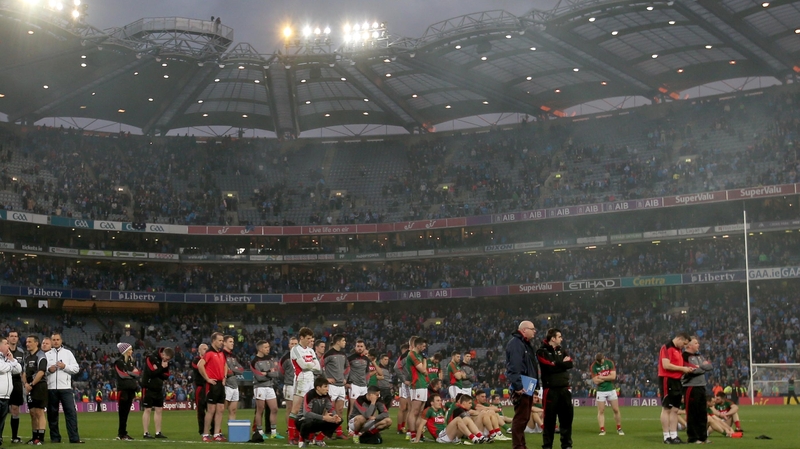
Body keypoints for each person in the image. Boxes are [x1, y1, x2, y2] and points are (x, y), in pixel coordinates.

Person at [537, 328, 574, 449]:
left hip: (564, 388)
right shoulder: (541, 351)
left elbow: (570, 364)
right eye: (559, 336)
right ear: (553, 338)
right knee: (549, 421)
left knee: (566, 419)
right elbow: (548, 367)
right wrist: (562, 364)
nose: (561, 339)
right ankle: (547, 446)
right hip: (550, 390)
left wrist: (556, 364)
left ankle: (567, 445)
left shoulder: (561, 350)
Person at [45, 333, 83, 444]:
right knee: (52, 415)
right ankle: (55, 438)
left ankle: (74, 438)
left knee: (71, 413)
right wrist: (48, 370)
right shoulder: (47, 355)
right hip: (51, 388)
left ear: (61, 341)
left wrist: (64, 366)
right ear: (51, 341)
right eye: (54, 340)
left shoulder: (68, 353)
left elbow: (76, 369)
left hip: (66, 388)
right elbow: (42, 370)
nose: (56, 341)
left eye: (57, 339)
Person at [505, 320, 538, 449]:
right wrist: (518, 386)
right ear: (524, 330)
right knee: (521, 417)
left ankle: (521, 445)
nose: (534, 331)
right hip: (522, 386)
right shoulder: (516, 344)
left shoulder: (523, 344)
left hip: (527, 384)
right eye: (532, 329)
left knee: (524, 417)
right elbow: (514, 366)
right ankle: (518, 445)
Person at [658, 332, 694, 444]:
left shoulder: (678, 350)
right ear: (679, 339)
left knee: (675, 409)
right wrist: (682, 369)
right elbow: (666, 365)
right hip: (667, 379)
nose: (684, 346)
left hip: (677, 381)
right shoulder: (666, 347)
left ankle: (674, 436)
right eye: (684, 343)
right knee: (667, 408)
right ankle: (666, 436)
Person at [288, 328, 321, 445]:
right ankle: (292, 437)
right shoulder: (295, 350)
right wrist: (311, 365)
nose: (309, 341)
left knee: (309, 409)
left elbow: (318, 368)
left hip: (311, 380)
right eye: (308, 339)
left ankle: (307, 436)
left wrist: (309, 365)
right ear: (301, 337)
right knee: (296, 409)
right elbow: (302, 366)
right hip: (301, 380)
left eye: (311, 339)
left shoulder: (311, 351)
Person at [250, 340, 283, 440]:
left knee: (274, 409)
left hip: (269, 386)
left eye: (268, 347)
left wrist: (266, 373)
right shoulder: (254, 361)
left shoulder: (270, 358)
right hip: (259, 387)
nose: (268, 349)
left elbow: (276, 374)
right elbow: (259, 377)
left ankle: (273, 432)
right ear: (260, 349)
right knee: (260, 410)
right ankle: (260, 432)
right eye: (266, 347)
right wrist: (270, 373)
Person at [681, 336, 712, 444]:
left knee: (702, 412)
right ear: (689, 345)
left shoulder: (699, 355)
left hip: (701, 386)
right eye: (696, 343)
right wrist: (701, 367)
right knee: (692, 413)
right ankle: (693, 438)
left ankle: (703, 437)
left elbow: (710, 367)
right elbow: (691, 371)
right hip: (691, 387)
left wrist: (700, 367)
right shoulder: (684, 356)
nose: (698, 344)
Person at [199, 332, 228, 442]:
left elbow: (225, 364)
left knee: (220, 409)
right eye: (219, 340)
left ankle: (216, 434)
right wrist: (207, 379)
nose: (221, 343)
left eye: (222, 340)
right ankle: (205, 434)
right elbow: (200, 365)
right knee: (211, 409)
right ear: (213, 341)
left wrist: (224, 376)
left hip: (220, 383)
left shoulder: (221, 353)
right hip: (212, 384)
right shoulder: (209, 353)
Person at [296, 376, 341, 448]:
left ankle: (318, 439)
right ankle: (302, 440)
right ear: (318, 388)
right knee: (308, 420)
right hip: (301, 420)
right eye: (325, 386)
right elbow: (306, 413)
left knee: (338, 420)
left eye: (327, 386)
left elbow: (331, 408)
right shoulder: (310, 395)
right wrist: (324, 418)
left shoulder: (326, 396)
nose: (327, 389)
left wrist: (335, 416)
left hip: (316, 420)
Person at [141, 347, 173, 439]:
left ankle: (158, 432)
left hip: (158, 387)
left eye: (168, 360)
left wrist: (158, 370)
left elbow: (166, 376)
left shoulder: (166, 362)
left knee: (159, 410)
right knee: (147, 409)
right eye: (166, 358)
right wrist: (161, 368)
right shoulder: (150, 358)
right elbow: (151, 373)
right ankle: (145, 432)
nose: (167, 361)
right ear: (163, 354)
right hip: (148, 387)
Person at [23, 336, 48, 445]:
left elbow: (41, 372)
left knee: (39, 412)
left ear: (36, 343)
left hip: (39, 386)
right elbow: (23, 373)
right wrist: (26, 385)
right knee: (32, 413)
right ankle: (34, 437)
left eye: (30, 342)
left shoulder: (41, 355)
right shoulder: (27, 357)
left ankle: (40, 438)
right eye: (27, 342)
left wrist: (32, 384)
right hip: (29, 387)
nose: (27, 344)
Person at [590, 353, 623, 436]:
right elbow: (595, 381)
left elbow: (613, 377)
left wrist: (601, 377)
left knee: (616, 409)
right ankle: (602, 429)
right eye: (599, 362)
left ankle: (619, 428)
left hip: (611, 389)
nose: (600, 364)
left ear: (603, 358)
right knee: (601, 411)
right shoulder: (593, 366)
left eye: (601, 362)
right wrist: (607, 377)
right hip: (600, 391)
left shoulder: (609, 363)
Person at [323, 334, 349, 439]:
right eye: (343, 340)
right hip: (332, 386)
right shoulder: (328, 354)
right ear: (338, 342)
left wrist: (345, 377)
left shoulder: (343, 354)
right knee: (330, 410)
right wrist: (326, 378)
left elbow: (348, 366)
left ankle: (338, 432)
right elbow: (319, 366)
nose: (345, 342)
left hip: (341, 386)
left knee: (340, 410)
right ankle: (326, 432)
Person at [405, 337, 429, 442]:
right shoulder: (412, 354)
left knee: (420, 412)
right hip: (417, 385)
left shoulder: (418, 355)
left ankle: (419, 434)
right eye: (423, 346)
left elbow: (426, 372)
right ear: (418, 345)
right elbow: (423, 370)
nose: (424, 348)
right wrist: (424, 360)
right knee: (414, 411)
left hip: (422, 384)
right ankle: (413, 435)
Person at [0, 336, 23, 447]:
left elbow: (18, 369)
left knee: (1, 421)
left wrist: (12, 360)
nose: (8, 346)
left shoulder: (6, 358)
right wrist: (11, 364)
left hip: (5, 396)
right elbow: (2, 368)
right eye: (5, 344)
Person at [114, 342, 139, 440]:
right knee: (122, 413)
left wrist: (129, 373)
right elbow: (122, 375)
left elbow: (137, 374)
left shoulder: (131, 361)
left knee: (126, 412)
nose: (132, 351)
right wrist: (131, 373)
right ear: (125, 351)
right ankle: (121, 433)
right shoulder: (118, 362)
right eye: (130, 349)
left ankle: (123, 433)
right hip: (123, 390)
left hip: (131, 390)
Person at [7, 331, 25, 444]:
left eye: (15, 336)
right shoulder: (3, 351)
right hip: (4, 380)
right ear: (7, 338)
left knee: (15, 409)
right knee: (2, 409)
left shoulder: (21, 352)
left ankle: (14, 437)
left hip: (17, 382)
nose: (13, 338)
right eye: (11, 336)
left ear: (18, 339)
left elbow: (22, 370)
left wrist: (25, 384)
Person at [348, 339, 370, 421]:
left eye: (361, 346)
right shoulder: (350, 358)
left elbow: (367, 372)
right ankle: (350, 428)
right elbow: (346, 371)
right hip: (355, 385)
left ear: (364, 348)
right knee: (353, 407)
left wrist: (367, 382)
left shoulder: (366, 359)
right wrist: (347, 382)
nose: (359, 348)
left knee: (364, 407)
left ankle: (361, 427)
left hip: (364, 386)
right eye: (358, 346)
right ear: (355, 347)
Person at [280, 336, 298, 436]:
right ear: (289, 345)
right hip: (289, 385)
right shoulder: (285, 358)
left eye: (296, 344)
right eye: (292, 344)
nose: (294, 346)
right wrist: (288, 380)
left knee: (298, 408)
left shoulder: (301, 356)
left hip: (299, 385)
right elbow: (281, 372)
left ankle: (296, 428)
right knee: (289, 408)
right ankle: (289, 429)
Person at [223, 335, 244, 421]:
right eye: (230, 342)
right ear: (224, 343)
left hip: (234, 384)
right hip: (226, 384)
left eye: (233, 342)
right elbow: (225, 371)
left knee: (233, 410)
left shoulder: (233, 356)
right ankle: (217, 430)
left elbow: (241, 369)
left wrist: (232, 370)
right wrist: (234, 369)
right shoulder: (222, 354)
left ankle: (232, 431)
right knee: (221, 410)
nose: (232, 344)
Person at [191, 343, 209, 435]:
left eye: (207, 349)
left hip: (209, 387)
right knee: (201, 410)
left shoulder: (209, 360)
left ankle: (213, 430)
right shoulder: (196, 360)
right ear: (199, 351)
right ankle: (202, 430)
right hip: (200, 388)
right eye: (204, 349)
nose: (206, 350)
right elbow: (200, 368)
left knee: (211, 410)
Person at [393, 343, 410, 436]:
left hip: (408, 383)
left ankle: (403, 426)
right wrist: (403, 380)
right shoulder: (403, 357)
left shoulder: (408, 357)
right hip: (404, 384)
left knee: (407, 408)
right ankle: (399, 428)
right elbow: (396, 368)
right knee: (403, 407)